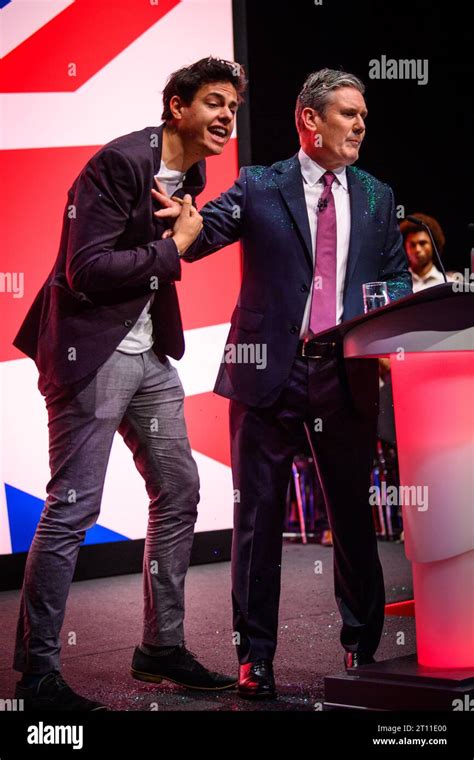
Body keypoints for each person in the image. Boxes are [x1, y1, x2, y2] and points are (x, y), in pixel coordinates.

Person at [154, 68, 412, 699]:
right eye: (348, 114)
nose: (359, 126)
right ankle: (256, 659)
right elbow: (199, 234)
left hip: (343, 374)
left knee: (352, 521)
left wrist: (383, 310)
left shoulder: (378, 197)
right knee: (257, 521)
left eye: (363, 116)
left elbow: (397, 279)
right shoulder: (259, 185)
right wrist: (177, 208)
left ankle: (362, 648)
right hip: (267, 373)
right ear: (309, 119)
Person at [11, 57, 246, 710]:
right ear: (177, 106)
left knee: (179, 487)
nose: (229, 117)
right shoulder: (119, 164)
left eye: (234, 107)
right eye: (216, 103)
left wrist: (185, 239)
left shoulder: (192, 170)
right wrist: (174, 251)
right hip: (92, 354)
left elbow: (169, 241)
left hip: (148, 360)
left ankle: (160, 647)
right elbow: (85, 268)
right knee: (72, 509)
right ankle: (37, 675)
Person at [400, 213, 463, 291]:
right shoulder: (398, 286)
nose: (417, 249)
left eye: (422, 243)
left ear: (434, 245)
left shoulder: (450, 284)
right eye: (412, 245)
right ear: (404, 247)